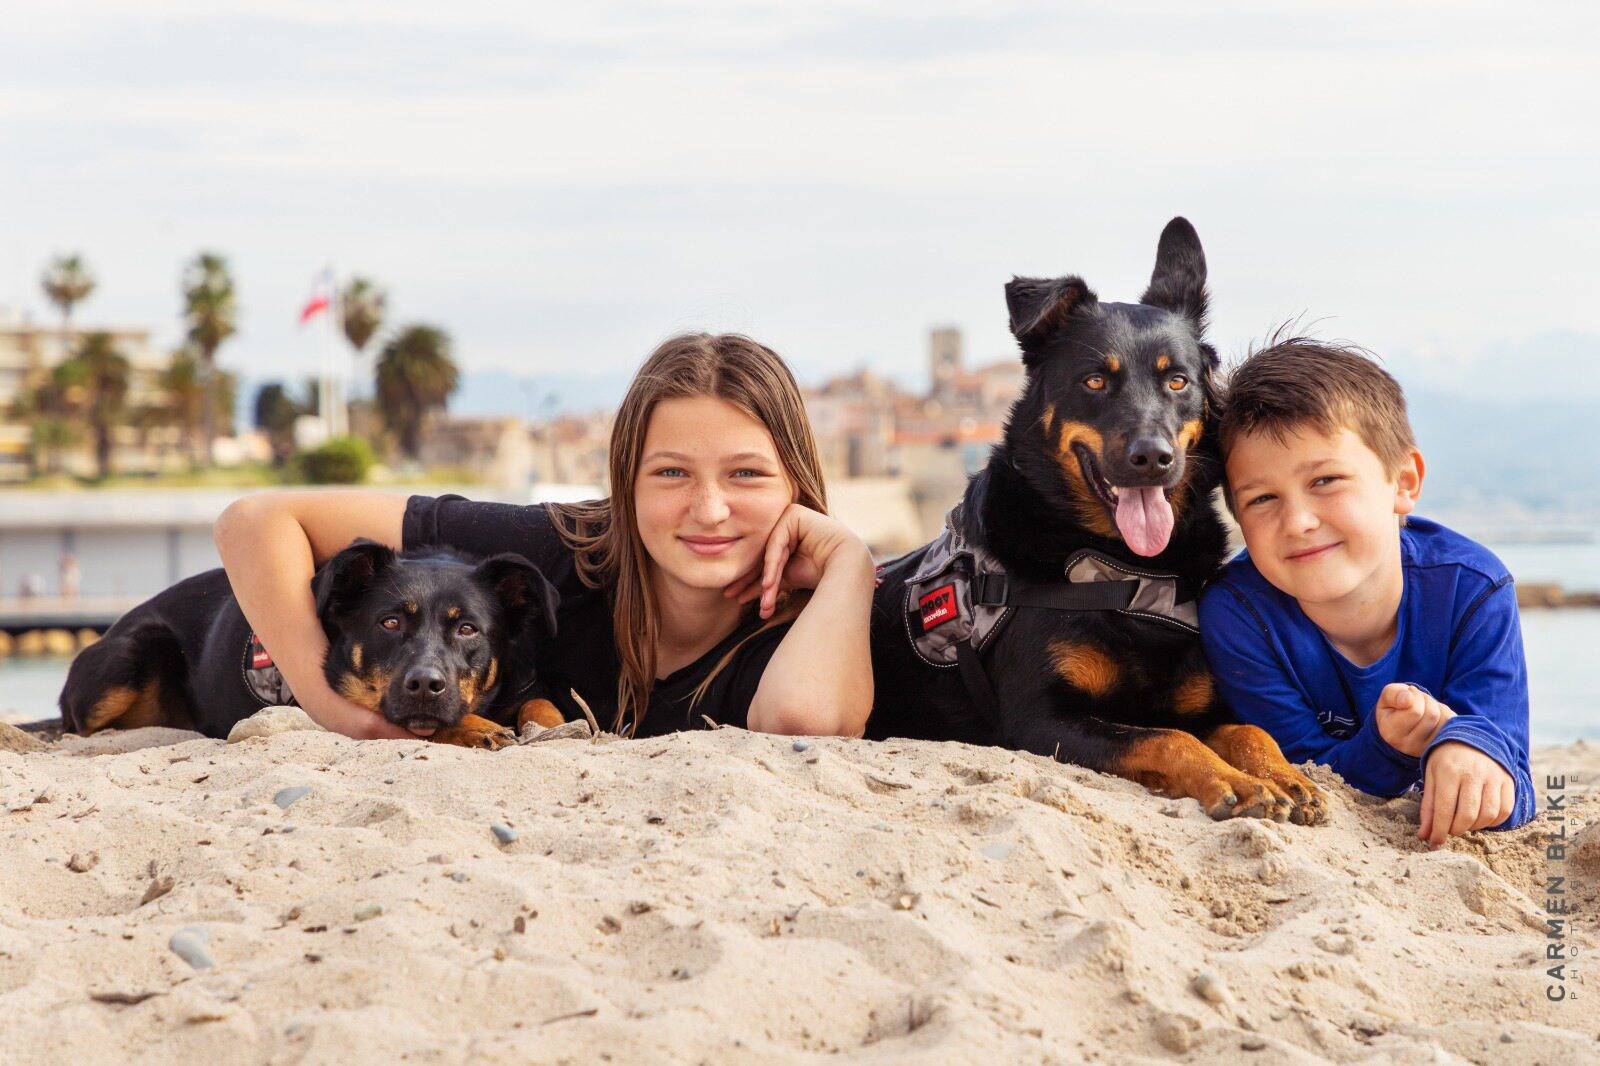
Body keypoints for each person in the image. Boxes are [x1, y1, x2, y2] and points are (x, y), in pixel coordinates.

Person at [214, 333, 875, 741]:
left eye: (747, 475)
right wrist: (340, 711)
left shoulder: (816, 622)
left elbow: (800, 724)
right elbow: (255, 521)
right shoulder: (562, 548)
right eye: (671, 472)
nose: (708, 509)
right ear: (626, 483)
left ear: (796, 482)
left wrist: (848, 560)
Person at [1197, 338, 1535, 847]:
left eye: (1327, 480)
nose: (1299, 522)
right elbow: (1303, 778)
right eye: (1262, 498)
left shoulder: (1472, 589)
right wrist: (1389, 747)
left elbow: (1518, 782)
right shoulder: (1238, 613)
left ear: (1403, 482)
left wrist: (1470, 751)